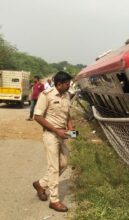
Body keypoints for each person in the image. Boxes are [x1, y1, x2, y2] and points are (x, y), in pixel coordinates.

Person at [32, 71, 73, 212]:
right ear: (59, 84)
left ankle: (41, 184)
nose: (69, 86)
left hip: (62, 134)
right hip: (50, 134)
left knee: (64, 163)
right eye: (67, 84)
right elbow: (37, 116)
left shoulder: (67, 95)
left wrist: (70, 130)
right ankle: (54, 201)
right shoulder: (46, 95)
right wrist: (56, 131)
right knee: (54, 167)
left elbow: (68, 115)